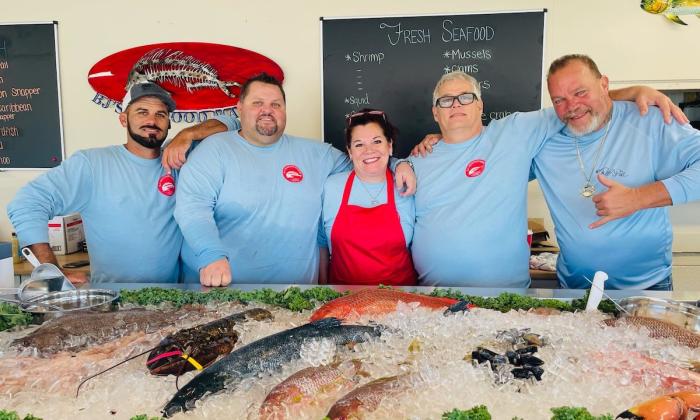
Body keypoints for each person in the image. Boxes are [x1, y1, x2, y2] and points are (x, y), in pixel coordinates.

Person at [408, 71, 684, 288]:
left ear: (480, 105)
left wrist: (635, 91)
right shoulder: (413, 163)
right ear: (435, 112)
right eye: (445, 100)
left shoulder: (516, 132)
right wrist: (399, 165)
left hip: (507, 298)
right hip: (432, 295)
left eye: (465, 97)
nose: (456, 104)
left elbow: (577, 106)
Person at [173, 73, 415, 287]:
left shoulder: (316, 155)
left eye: (275, 104)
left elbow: (366, 160)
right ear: (239, 109)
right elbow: (192, 209)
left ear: (284, 110)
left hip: (295, 301)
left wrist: (401, 163)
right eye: (257, 103)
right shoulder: (214, 150)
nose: (267, 110)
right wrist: (211, 255)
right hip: (224, 291)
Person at [531, 54, 700, 290]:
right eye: (559, 100)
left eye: (581, 92)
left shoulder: (648, 119)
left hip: (648, 288)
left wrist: (637, 198)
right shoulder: (542, 138)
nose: (571, 106)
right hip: (574, 290)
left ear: (604, 85)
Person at [7, 82, 188, 284]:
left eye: (160, 115)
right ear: (123, 119)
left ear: (169, 123)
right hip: (113, 301)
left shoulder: (179, 162)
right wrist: (50, 269)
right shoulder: (92, 164)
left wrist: (187, 134)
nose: (152, 121)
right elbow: (27, 203)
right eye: (142, 112)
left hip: (172, 299)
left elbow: (229, 123)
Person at [320, 109, 416, 285]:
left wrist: (402, 162)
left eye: (377, 141)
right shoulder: (331, 186)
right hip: (344, 301)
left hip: (401, 302)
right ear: (349, 152)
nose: (369, 151)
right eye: (358, 144)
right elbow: (321, 244)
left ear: (390, 145)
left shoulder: (407, 185)